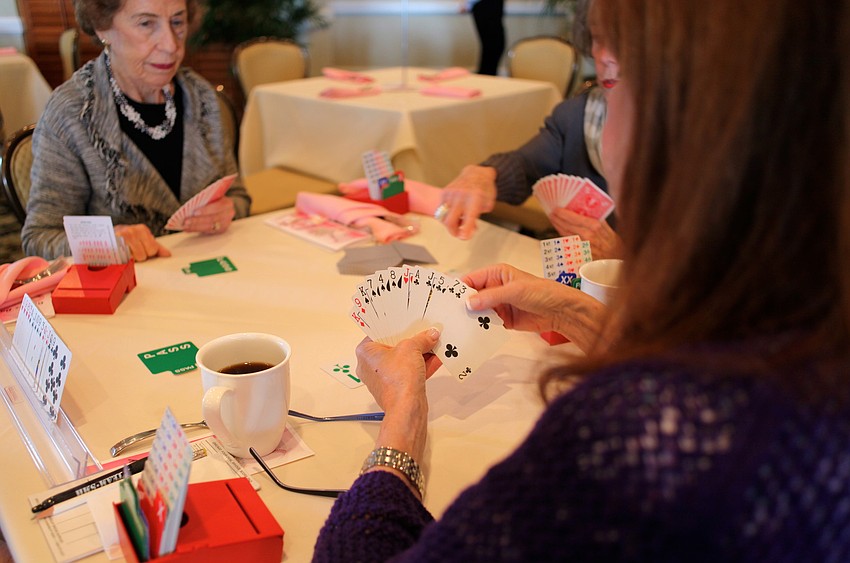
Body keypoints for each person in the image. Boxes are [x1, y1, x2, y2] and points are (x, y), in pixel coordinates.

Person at [313, 0, 850, 560]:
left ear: (699, 123)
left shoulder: (640, 437)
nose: (602, 115)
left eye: (612, 81)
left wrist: (403, 412)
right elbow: (522, 163)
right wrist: (581, 315)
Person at [21, 0, 250, 261]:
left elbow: (238, 197)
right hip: (128, 292)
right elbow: (39, 238)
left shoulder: (204, 99)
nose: (171, 45)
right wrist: (107, 243)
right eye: (146, 23)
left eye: (177, 22)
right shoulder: (72, 113)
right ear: (102, 27)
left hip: (206, 272)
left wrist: (226, 211)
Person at [439, 0, 622, 261]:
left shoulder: (695, 137)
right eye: (597, 39)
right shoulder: (575, 115)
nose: (604, 56)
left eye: (626, 42)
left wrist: (624, 257)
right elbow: (526, 165)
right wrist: (486, 175)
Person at [466, 0, 505, 76]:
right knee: (493, 45)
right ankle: (486, 76)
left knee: (492, 45)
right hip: (485, 4)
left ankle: (486, 75)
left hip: (487, 4)